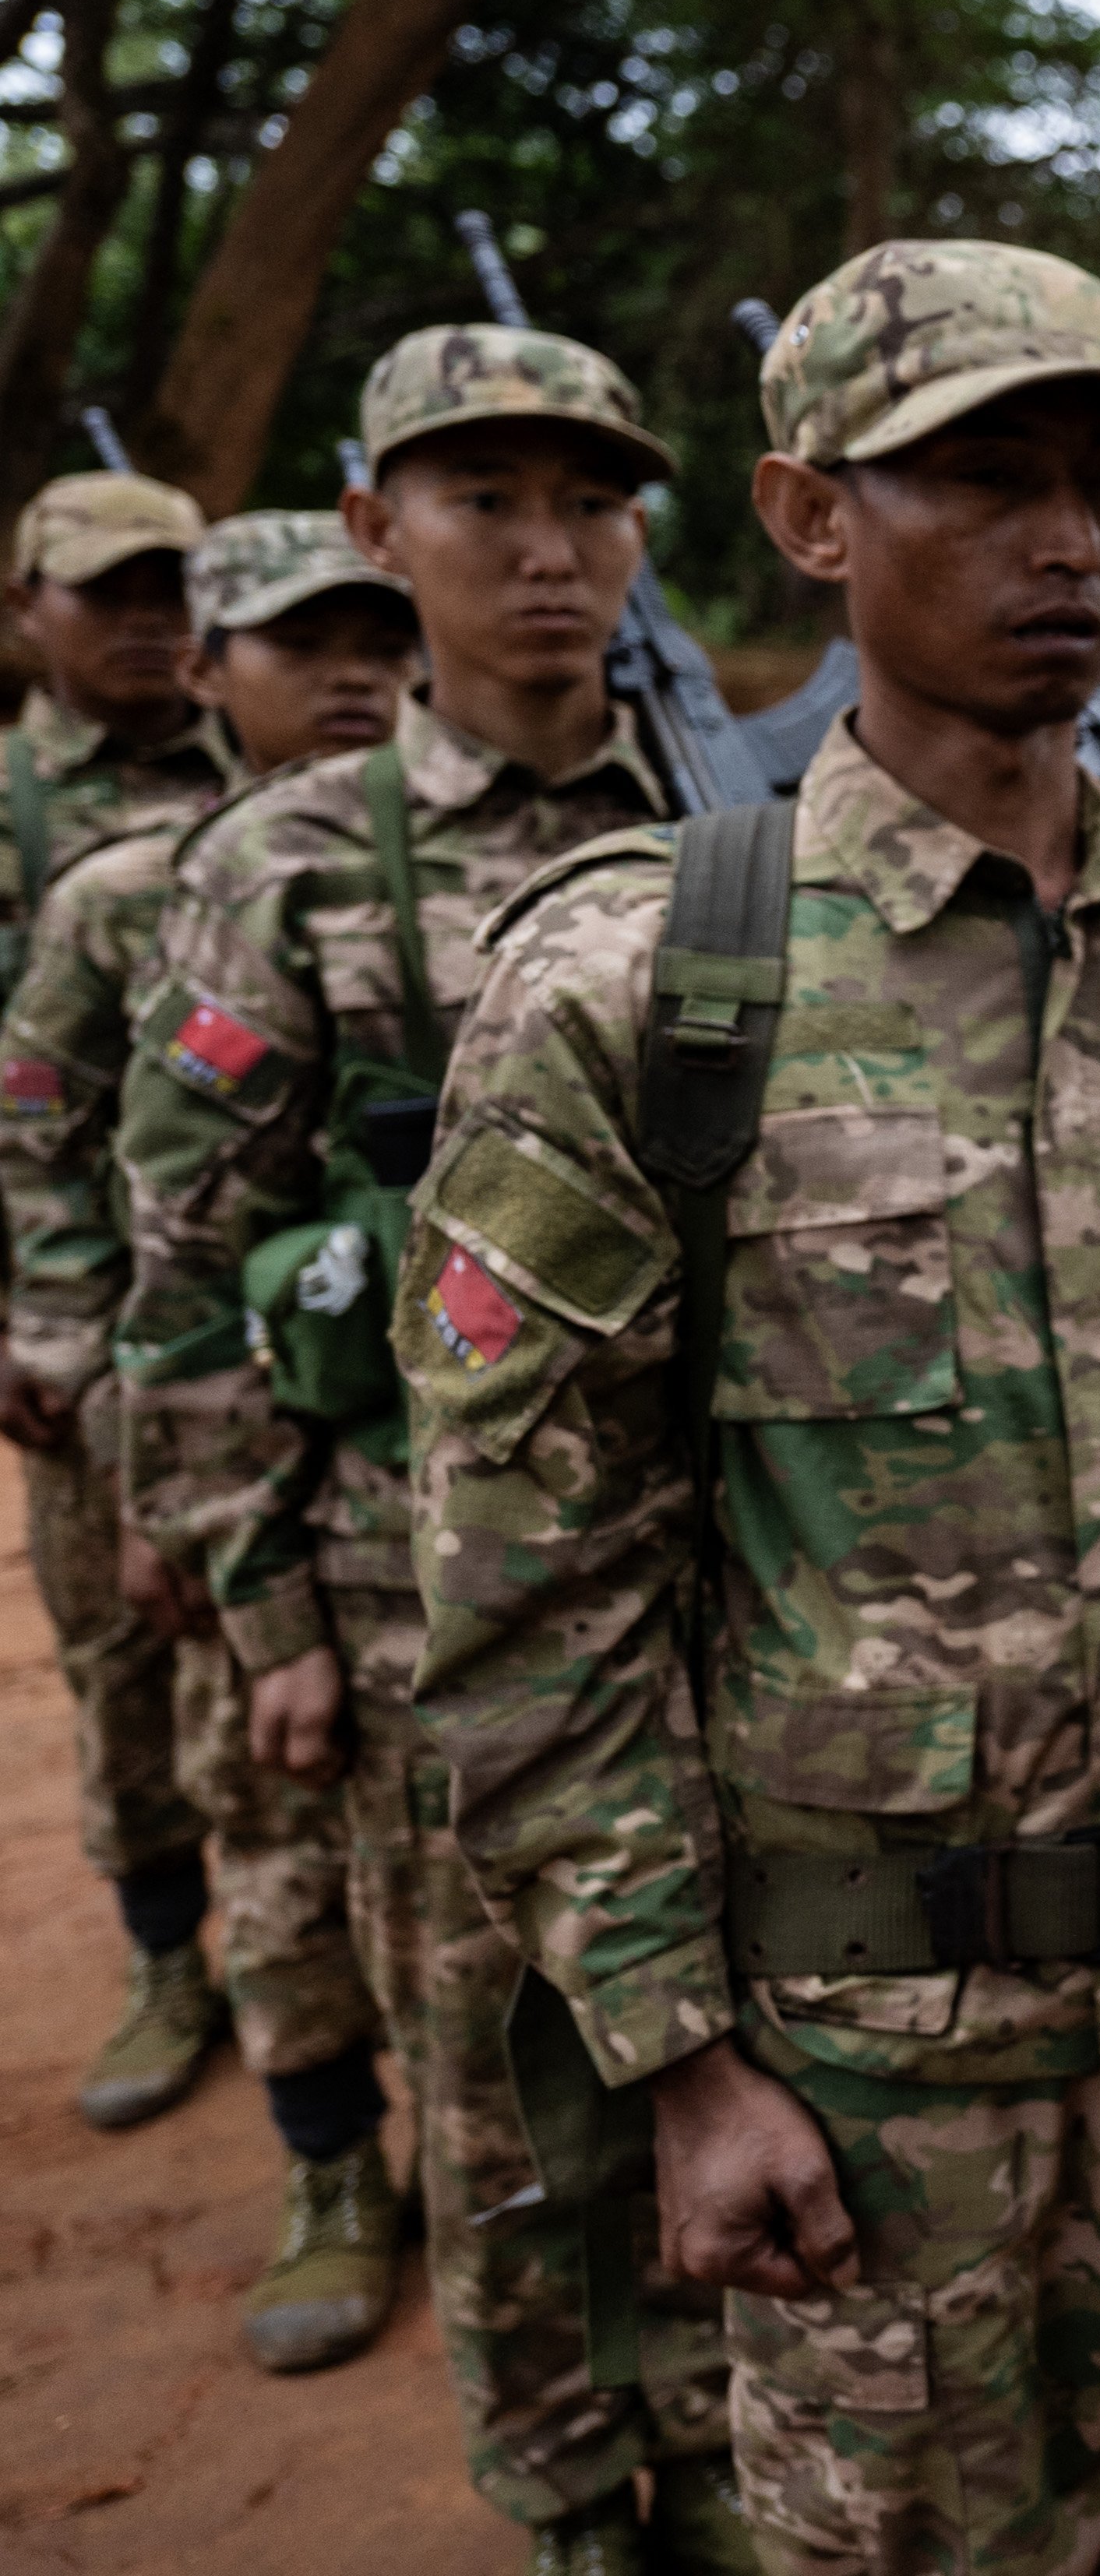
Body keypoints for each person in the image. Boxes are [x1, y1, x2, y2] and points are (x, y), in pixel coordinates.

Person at [400, 240, 1100, 2576]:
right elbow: (529, 1582)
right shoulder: (653, 977)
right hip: (878, 2065)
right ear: (812, 520)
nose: (1075, 544)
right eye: (991, 482)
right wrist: (677, 2062)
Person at [117, 331, 736, 2567]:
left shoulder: (742, 825)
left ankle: (743, 2475)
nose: (550, 549)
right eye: (486, 502)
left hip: (747, 1575)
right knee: (501, 2099)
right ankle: (577, 2498)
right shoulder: (283, 864)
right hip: (428, 1600)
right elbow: (187, 1263)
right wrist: (263, 1596)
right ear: (378, 533)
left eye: (591, 502)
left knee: (738, 2049)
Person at [9, 516, 406, 2291]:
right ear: (208, 671)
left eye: (372, 638)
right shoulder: (125, 886)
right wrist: (97, 1388)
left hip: (419, 1433)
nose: (350, 675)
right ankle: (320, 2143)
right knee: (246, 1766)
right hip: (201, 1411)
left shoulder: (467, 864)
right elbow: (53, 1138)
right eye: (295, 641)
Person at [0, 470, 238, 2133]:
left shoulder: (280, 765)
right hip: (72, 1308)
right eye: (109, 593)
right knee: (118, 1649)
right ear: (28, 610)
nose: (151, 621)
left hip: (253, 1302)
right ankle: (169, 1951)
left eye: (176, 588)